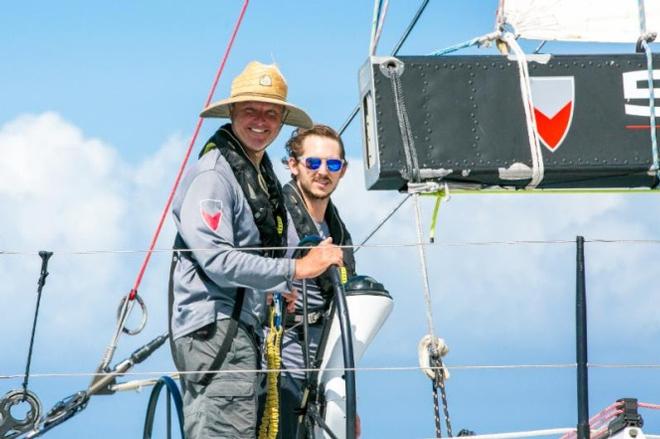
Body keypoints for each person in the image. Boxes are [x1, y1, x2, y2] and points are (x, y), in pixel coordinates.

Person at [168, 61, 344, 439]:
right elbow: (216, 260)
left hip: (237, 331)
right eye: (250, 110)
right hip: (217, 333)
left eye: (271, 113)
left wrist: (271, 291)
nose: (260, 121)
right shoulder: (215, 175)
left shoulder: (254, 173)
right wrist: (296, 270)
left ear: (281, 121)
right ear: (232, 113)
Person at [275, 124, 360, 438]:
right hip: (279, 373)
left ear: (343, 170)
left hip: (324, 376)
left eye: (332, 164)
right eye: (313, 163)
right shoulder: (277, 219)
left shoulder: (336, 229)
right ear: (294, 165)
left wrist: (348, 404)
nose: (323, 171)